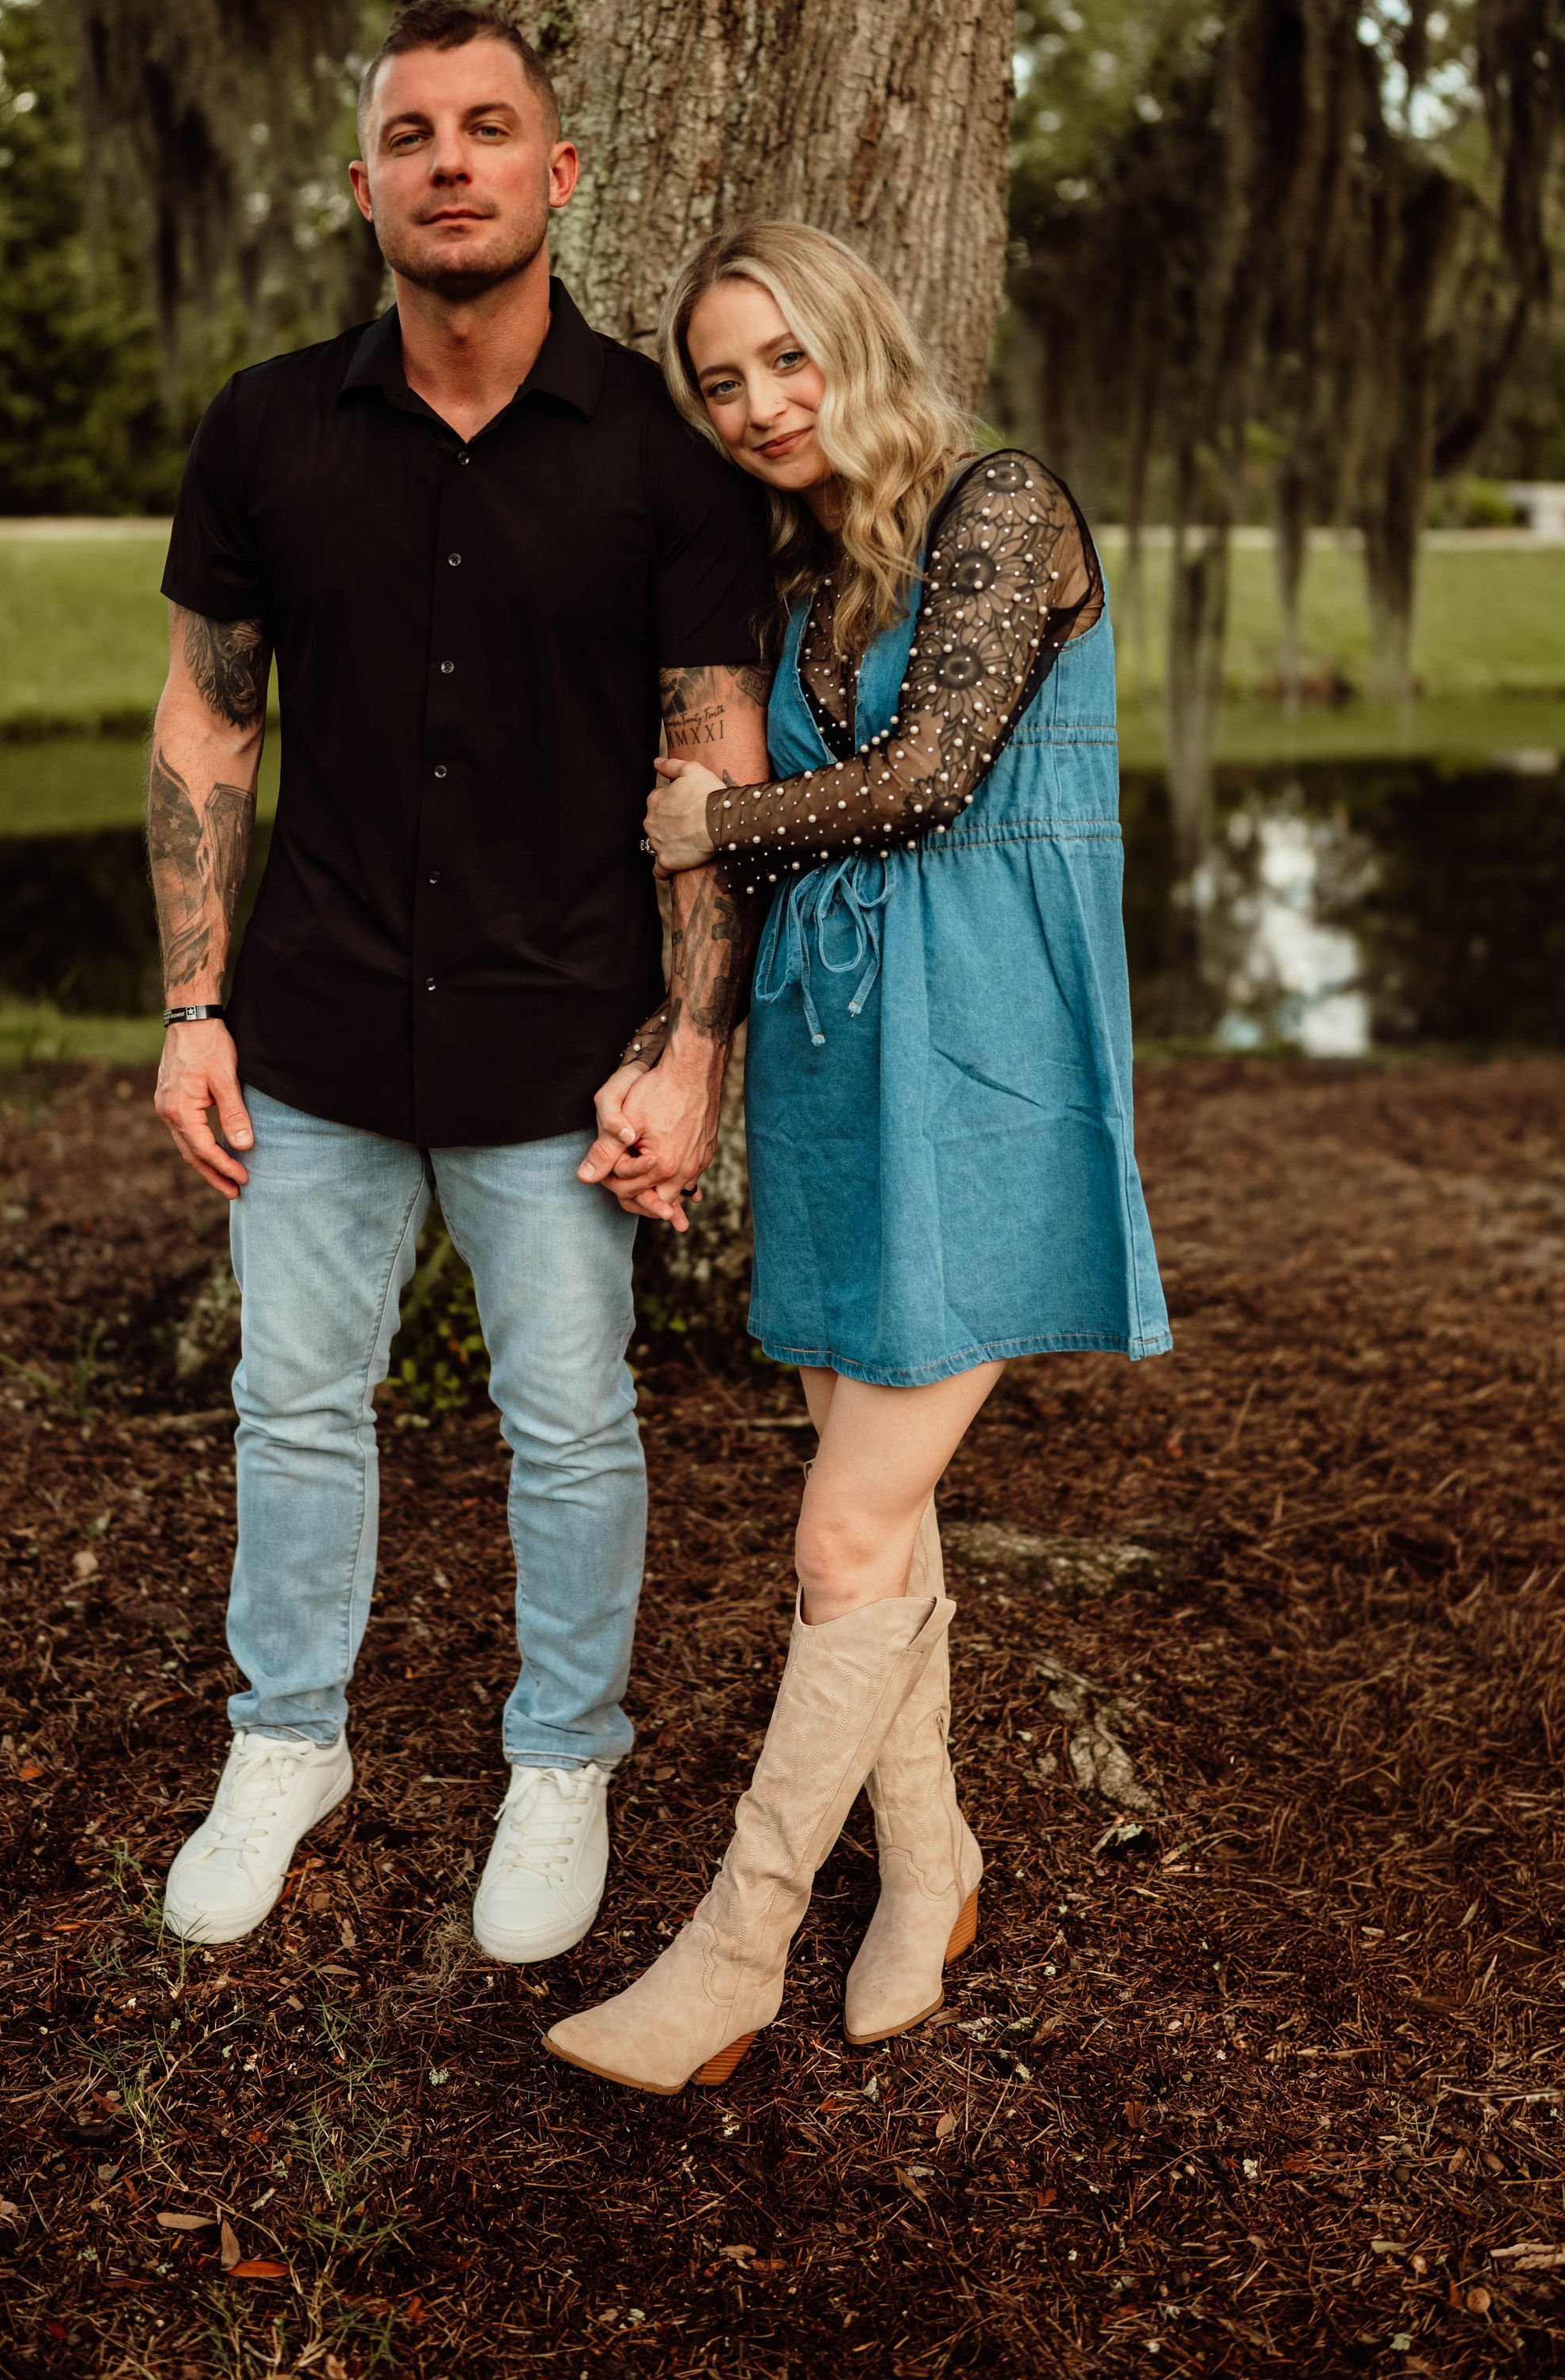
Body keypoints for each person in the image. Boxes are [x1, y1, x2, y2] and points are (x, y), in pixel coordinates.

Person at [147, 2, 771, 1963]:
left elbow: (713, 774)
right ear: (364, 188)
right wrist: (190, 1007)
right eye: (411, 134)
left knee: (570, 1425)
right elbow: (206, 724)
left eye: (488, 128)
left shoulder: (666, 467)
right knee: (292, 1407)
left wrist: (691, 1049)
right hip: (314, 1026)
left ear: (554, 173)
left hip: (559, 1045)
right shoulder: (266, 427)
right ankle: (286, 1741)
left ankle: (563, 1759)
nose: (449, 162)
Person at [544, 221, 1170, 2095]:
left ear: (859, 340)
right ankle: (930, 1867)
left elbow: (929, 775)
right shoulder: (805, 565)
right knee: (876, 1512)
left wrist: (717, 821)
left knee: (836, 1525)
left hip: (985, 1056)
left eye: (785, 359)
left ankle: (732, 1949)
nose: (756, 406)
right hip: (840, 1061)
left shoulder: (1002, 506)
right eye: (719, 383)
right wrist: (695, 1022)